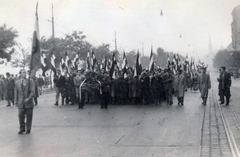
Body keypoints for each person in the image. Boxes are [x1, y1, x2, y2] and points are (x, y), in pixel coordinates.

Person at [14, 69, 35, 134]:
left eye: (25, 73)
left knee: (29, 116)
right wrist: (16, 101)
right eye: (23, 73)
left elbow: (32, 91)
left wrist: (28, 98)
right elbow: (16, 92)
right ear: (20, 73)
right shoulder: (17, 82)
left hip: (28, 102)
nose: (25, 74)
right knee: (20, 115)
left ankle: (28, 129)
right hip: (20, 102)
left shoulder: (30, 81)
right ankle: (22, 128)